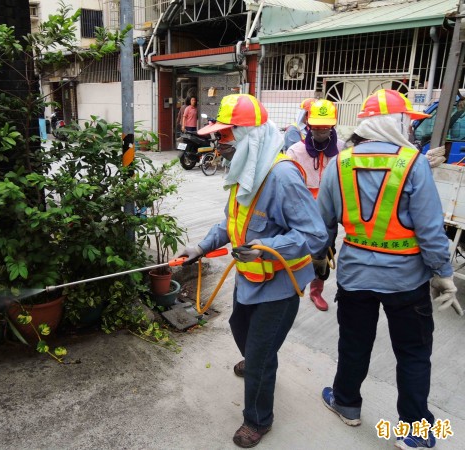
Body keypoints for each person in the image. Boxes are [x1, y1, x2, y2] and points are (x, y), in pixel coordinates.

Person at [316, 89, 464, 450]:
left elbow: (323, 224)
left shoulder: (340, 162)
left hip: (355, 277)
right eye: (406, 121)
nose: (409, 128)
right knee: (413, 353)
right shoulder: (412, 163)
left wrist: (320, 262)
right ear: (394, 122)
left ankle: (347, 403)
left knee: (354, 344)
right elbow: (429, 229)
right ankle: (414, 431)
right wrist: (443, 273)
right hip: (406, 281)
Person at [178, 94, 328, 448]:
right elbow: (231, 222)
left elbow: (315, 234)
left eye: (226, 136)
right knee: (238, 325)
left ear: (250, 137)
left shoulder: (282, 177)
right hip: (250, 276)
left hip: (281, 282)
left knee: (260, 355)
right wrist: (200, 248)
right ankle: (261, 359)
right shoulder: (246, 172)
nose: (219, 144)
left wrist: (268, 247)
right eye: (218, 136)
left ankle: (258, 419)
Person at [286, 99, 345, 312]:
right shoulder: (295, 151)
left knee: (325, 255)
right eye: (317, 126)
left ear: (333, 125)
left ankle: (316, 292)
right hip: (302, 213)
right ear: (308, 124)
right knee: (297, 255)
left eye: (326, 127)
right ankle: (292, 293)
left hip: (329, 215)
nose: (321, 131)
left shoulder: (342, 149)